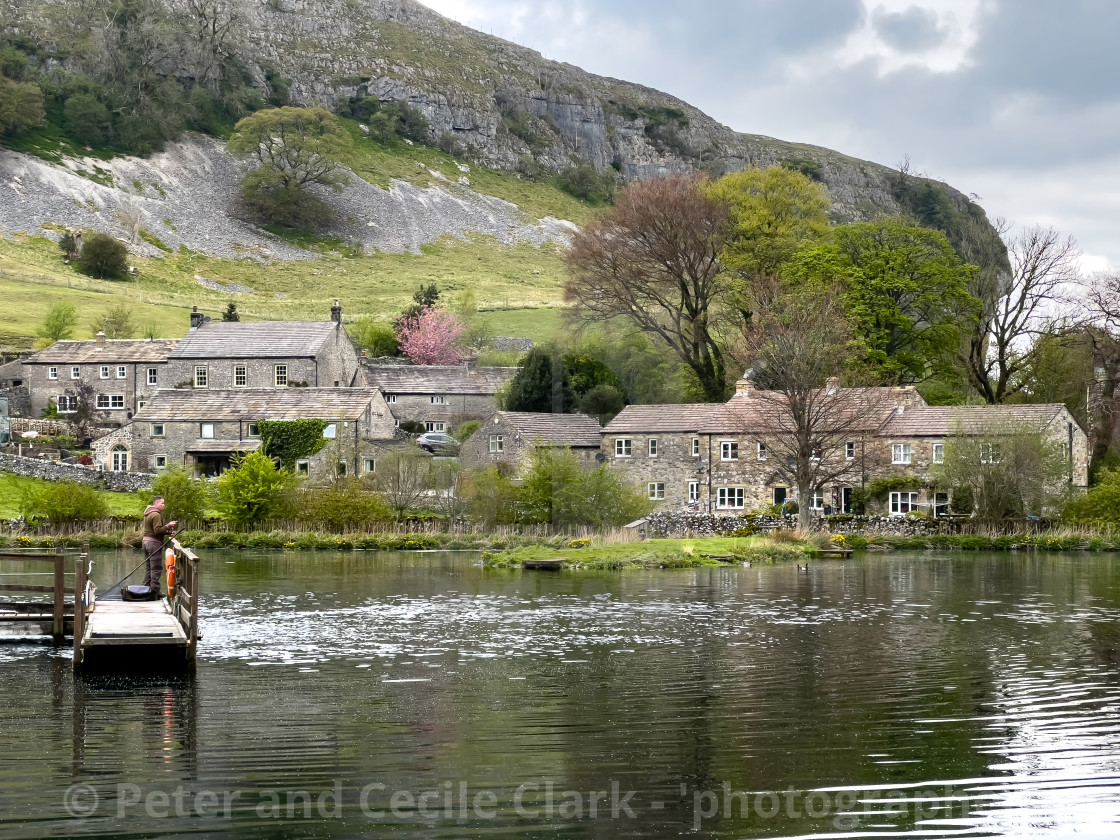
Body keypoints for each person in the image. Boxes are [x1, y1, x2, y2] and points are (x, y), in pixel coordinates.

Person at [141, 497, 177, 596]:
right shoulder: (156, 514)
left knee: (149, 567)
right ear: (156, 503)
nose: (164, 505)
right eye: (162, 503)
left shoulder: (148, 513)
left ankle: (145, 588)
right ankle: (154, 591)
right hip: (153, 543)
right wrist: (168, 525)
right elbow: (157, 531)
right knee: (156, 567)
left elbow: (154, 530)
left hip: (146, 541)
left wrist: (168, 532)